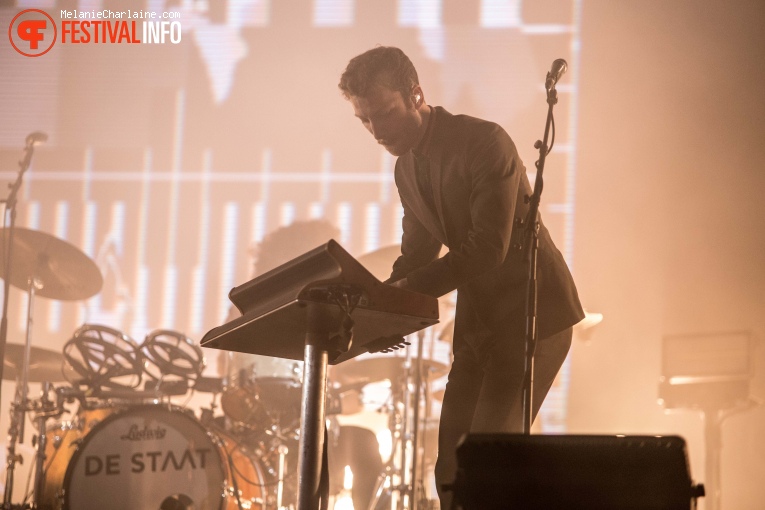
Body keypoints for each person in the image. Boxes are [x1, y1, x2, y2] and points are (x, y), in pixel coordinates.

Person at [338, 46, 584, 509]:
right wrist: (378, 311)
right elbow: (414, 257)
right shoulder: (405, 167)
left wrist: (396, 299)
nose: (376, 131)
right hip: (481, 323)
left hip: (534, 315)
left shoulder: (484, 141)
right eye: (364, 121)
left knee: (488, 465)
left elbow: (486, 249)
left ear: (416, 94)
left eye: (385, 114)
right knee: (450, 469)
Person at [219, 220, 384, 510]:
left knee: (364, 444)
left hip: (271, 415)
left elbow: (224, 366)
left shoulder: (247, 303)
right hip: (270, 420)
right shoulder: (317, 306)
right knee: (364, 446)